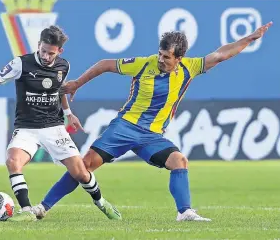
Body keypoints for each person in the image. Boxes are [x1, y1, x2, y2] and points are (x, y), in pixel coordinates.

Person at [31, 22, 273, 222]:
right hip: (124, 127)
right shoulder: (144, 64)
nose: (161, 59)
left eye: (166, 57)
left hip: (152, 136)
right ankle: (42, 207)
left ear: (180, 58)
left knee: (179, 161)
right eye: (160, 53)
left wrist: (249, 39)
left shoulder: (190, 68)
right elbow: (105, 64)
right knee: (85, 166)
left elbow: (221, 54)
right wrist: (76, 84)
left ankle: (185, 212)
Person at [0, 25, 121, 222]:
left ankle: (101, 202)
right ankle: (27, 211)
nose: (45, 56)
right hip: (26, 127)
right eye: (43, 50)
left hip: (54, 127)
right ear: (38, 45)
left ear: (59, 51)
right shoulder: (20, 64)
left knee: (81, 173)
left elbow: (59, 91)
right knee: (12, 162)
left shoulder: (63, 66)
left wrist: (68, 113)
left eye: (50, 53)